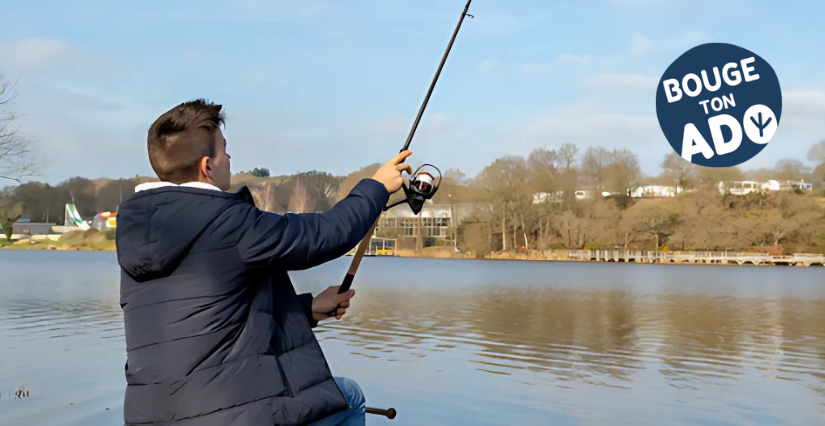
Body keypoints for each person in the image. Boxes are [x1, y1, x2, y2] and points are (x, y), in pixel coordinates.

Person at [116, 99, 412, 425]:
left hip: (150, 418)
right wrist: (378, 187)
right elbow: (326, 235)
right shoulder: (229, 221)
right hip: (229, 416)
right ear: (207, 167)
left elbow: (211, 320)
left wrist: (308, 309)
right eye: (224, 150)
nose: (229, 158)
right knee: (350, 396)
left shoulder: (140, 233)